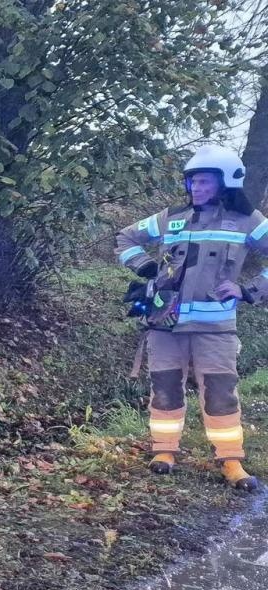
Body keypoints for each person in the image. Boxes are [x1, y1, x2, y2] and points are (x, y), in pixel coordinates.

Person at [115, 145, 268, 491]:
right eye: (192, 182)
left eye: (204, 182)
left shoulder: (247, 221)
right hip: (165, 324)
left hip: (216, 329)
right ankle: (164, 451)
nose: (195, 188)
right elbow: (125, 238)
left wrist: (248, 290)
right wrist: (145, 267)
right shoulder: (171, 217)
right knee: (165, 387)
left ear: (225, 183)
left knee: (220, 393)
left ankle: (231, 461)